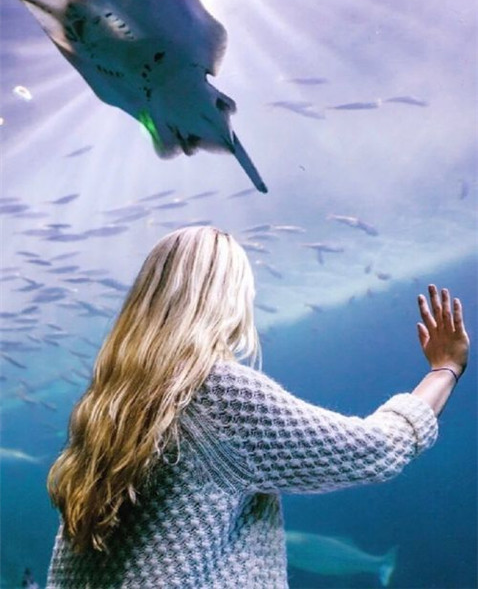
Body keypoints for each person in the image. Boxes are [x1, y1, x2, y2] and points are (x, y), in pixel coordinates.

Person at [45, 226, 469, 589]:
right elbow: (374, 449)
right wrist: (444, 370)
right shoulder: (219, 394)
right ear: (228, 298)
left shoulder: (106, 407)